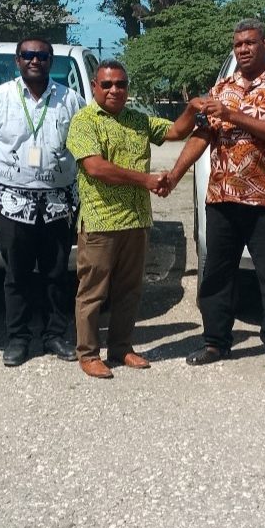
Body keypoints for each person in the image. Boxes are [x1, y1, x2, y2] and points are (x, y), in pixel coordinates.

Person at [164, 18, 265, 380]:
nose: (243, 49)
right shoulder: (222, 86)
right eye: (238, 44)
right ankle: (215, 341)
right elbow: (202, 135)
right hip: (223, 197)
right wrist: (175, 174)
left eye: (250, 43)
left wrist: (233, 115)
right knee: (216, 273)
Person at [65, 61, 196, 379]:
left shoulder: (138, 119)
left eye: (120, 84)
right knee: (94, 291)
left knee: (129, 289)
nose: (114, 90)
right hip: (101, 221)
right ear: (95, 86)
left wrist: (192, 108)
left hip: (136, 220)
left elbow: (177, 131)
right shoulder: (84, 121)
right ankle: (88, 353)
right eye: (107, 84)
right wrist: (146, 180)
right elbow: (96, 167)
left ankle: (121, 348)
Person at [0, 38, 86, 366]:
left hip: (58, 203)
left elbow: (79, 144)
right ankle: (18, 338)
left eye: (42, 55)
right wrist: (17, 169)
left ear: (51, 61)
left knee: (56, 273)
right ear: (17, 60)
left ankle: (54, 335)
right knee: (17, 274)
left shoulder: (71, 100)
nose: (35, 60)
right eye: (28, 55)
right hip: (11, 202)